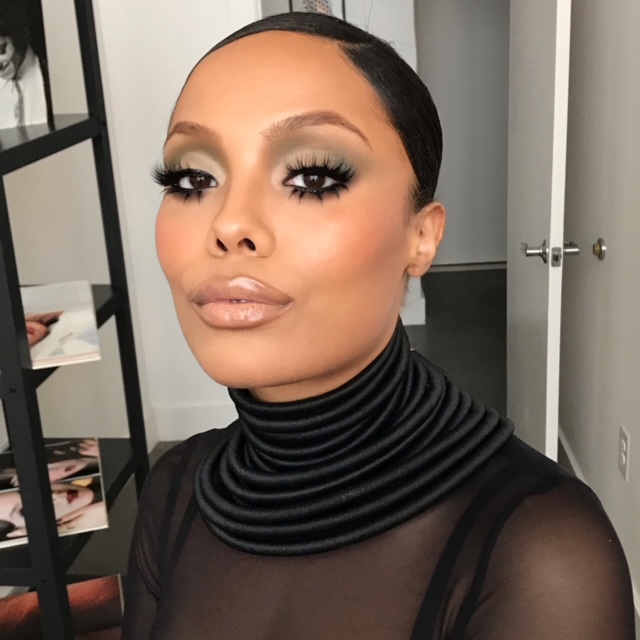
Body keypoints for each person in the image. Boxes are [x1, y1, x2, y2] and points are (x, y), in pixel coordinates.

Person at [121, 12, 636, 639]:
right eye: (192, 179)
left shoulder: (541, 553)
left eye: (311, 177)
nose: (229, 225)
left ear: (422, 237)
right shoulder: (175, 491)